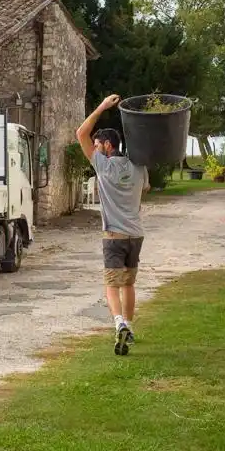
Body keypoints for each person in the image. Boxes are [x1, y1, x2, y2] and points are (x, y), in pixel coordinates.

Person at [75, 94, 150, 355]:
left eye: (96, 144)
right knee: (128, 284)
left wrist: (104, 106)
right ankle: (129, 326)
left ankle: (119, 324)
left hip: (113, 236)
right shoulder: (139, 166)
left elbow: (80, 133)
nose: (93, 148)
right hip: (136, 235)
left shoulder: (103, 165)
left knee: (111, 284)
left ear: (107, 145)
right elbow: (146, 189)